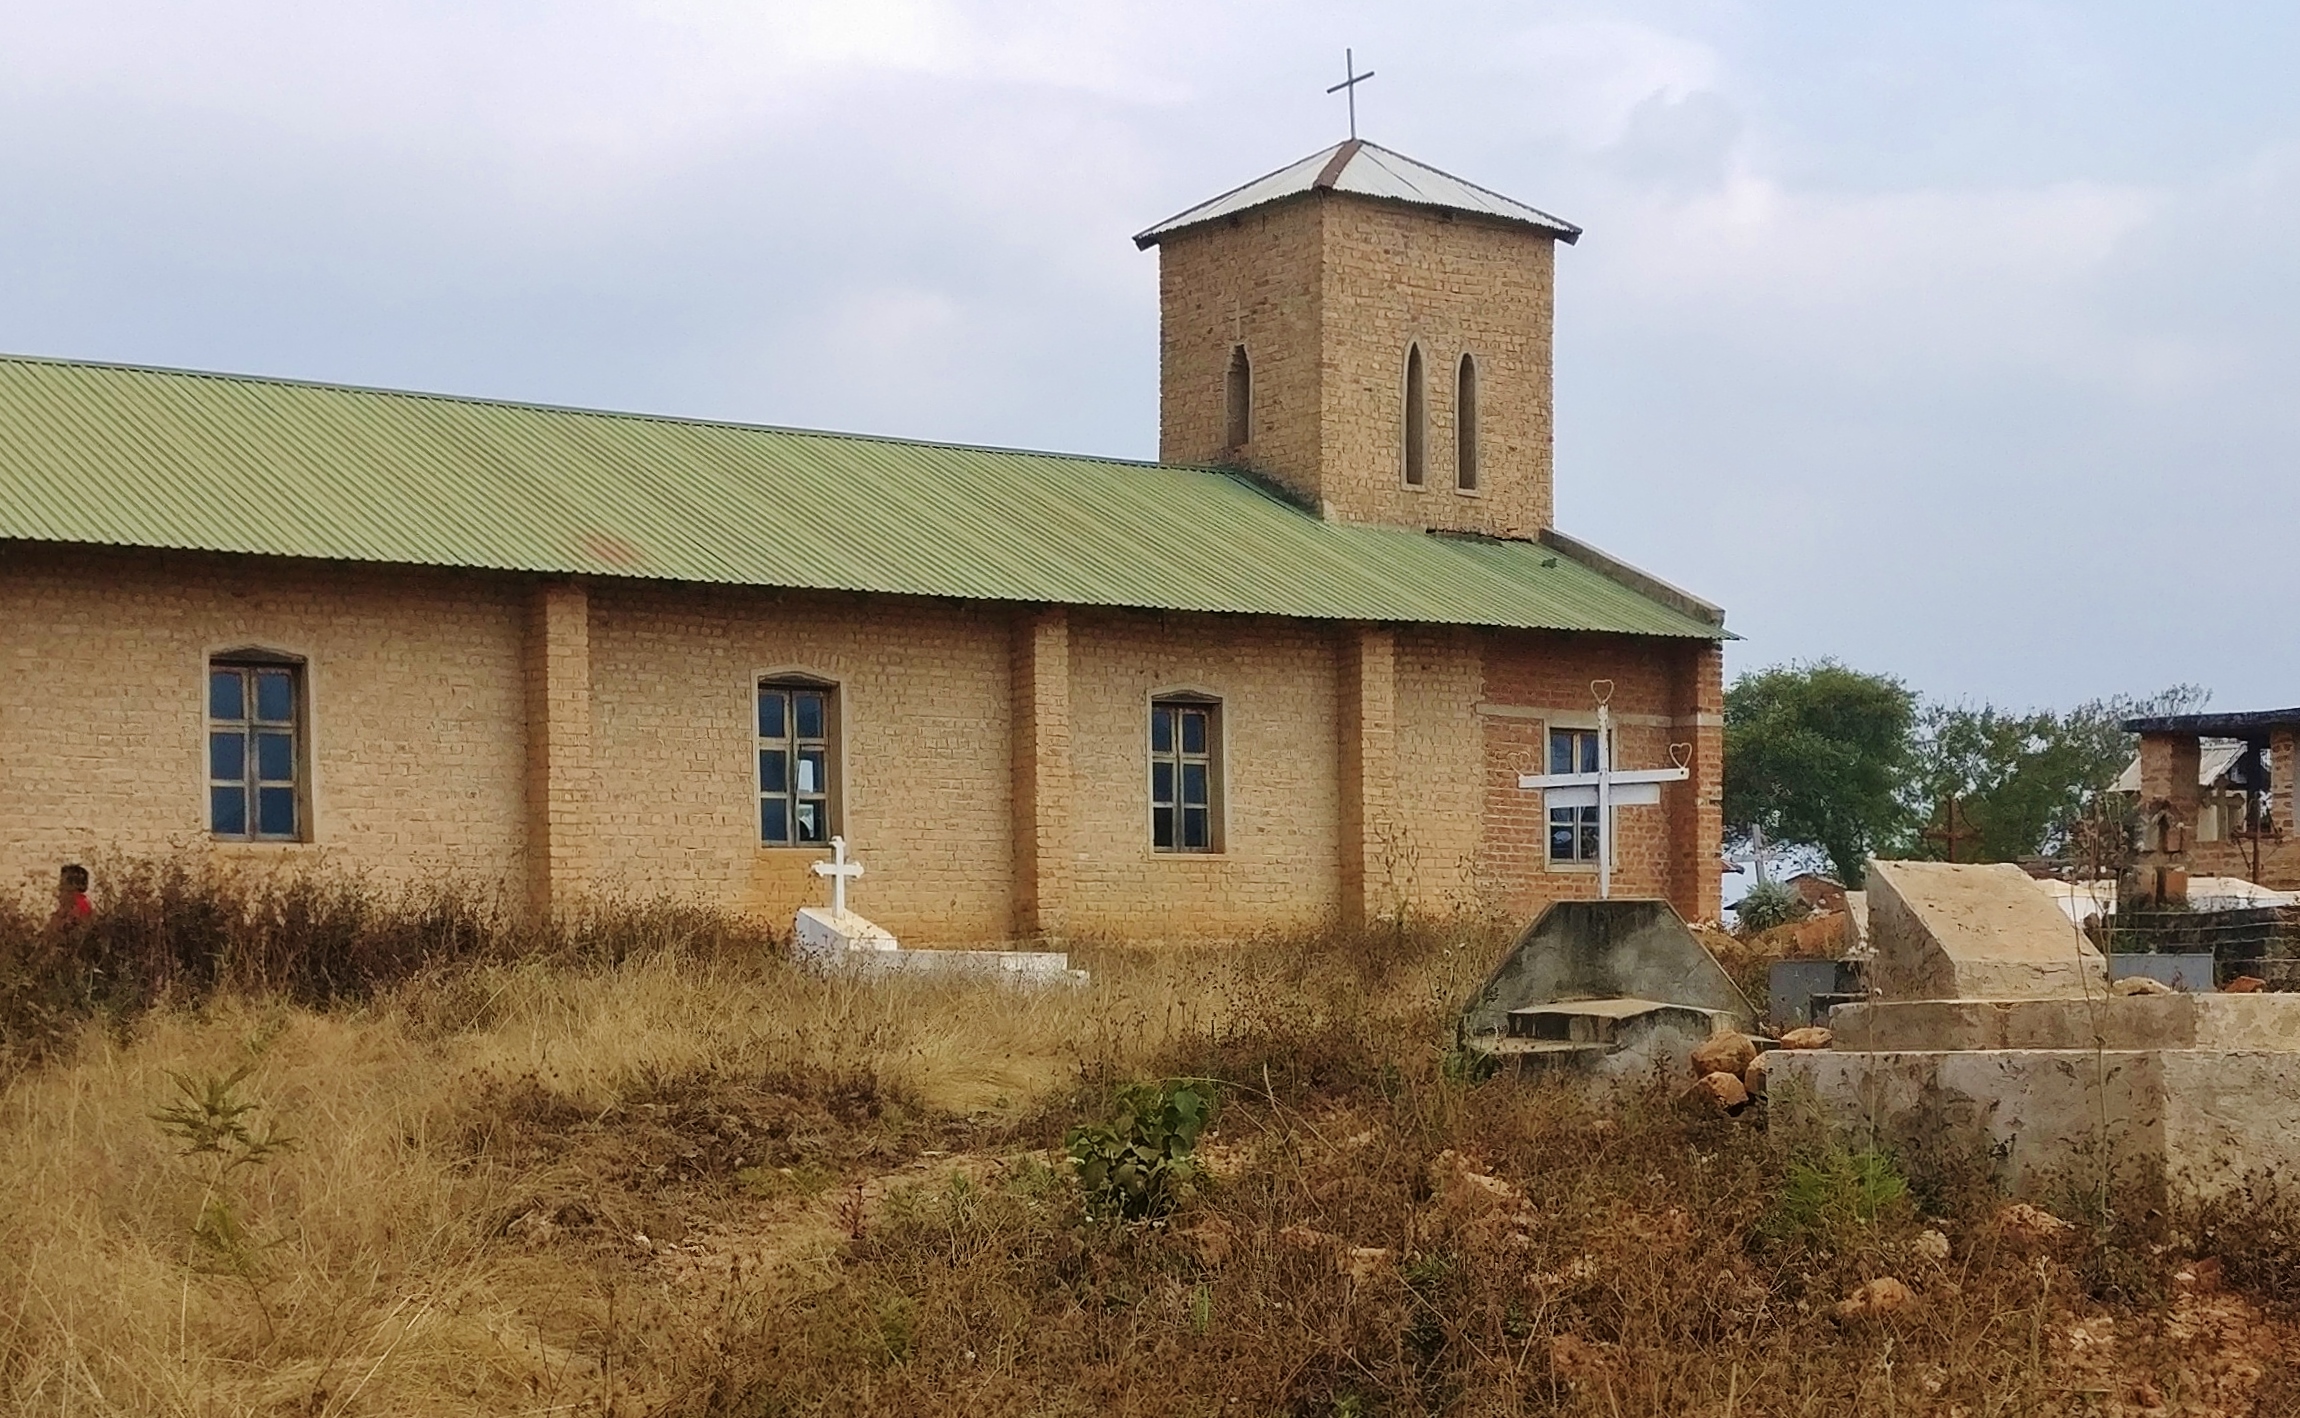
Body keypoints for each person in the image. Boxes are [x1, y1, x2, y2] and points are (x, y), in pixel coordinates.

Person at [52, 863, 92, 929]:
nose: (60, 887)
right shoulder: (72, 902)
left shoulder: (79, 903)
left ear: (73, 885)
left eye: (63, 883)